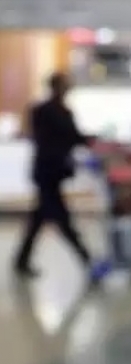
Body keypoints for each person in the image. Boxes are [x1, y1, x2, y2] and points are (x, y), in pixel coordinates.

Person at [12, 72, 96, 278]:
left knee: (39, 219)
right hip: (48, 172)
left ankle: (22, 261)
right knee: (62, 219)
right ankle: (86, 259)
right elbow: (64, 137)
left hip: (52, 172)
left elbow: (71, 137)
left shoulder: (56, 111)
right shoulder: (46, 111)